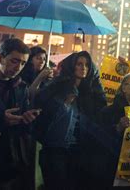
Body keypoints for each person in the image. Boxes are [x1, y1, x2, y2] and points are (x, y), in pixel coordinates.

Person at [34, 51, 107, 190]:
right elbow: (42, 108)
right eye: (79, 64)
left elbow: (99, 117)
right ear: (72, 65)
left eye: (86, 65)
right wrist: (65, 102)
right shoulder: (58, 85)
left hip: (79, 149)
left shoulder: (92, 91)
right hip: (55, 148)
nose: (83, 68)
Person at [0, 38, 40, 189]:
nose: (18, 67)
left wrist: (26, 119)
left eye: (23, 63)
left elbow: (22, 123)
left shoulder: (21, 87)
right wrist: (0, 120)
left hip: (11, 161)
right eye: (14, 61)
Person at [100, 73, 130, 188]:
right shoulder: (108, 112)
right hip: (113, 169)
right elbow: (99, 138)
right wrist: (118, 128)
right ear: (124, 88)